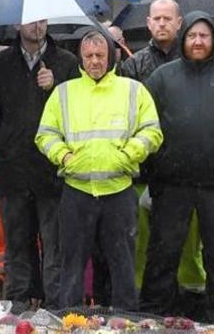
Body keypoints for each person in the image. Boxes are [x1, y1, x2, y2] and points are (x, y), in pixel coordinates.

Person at [141, 12, 214, 318]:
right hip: (172, 183)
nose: (198, 41)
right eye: (193, 36)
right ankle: (157, 314)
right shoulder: (162, 78)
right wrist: (157, 163)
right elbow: (144, 122)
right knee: (164, 251)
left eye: (204, 36)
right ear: (184, 39)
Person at [36, 28, 163, 310]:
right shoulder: (64, 93)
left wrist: (129, 154)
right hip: (77, 191)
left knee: (123, 266)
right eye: (89, 56)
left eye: (100, 55)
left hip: (119, 190)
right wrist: (65, 157)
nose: (94, 61)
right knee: (71, 267)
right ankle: (70, 323)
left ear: (112, 56)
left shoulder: (133, 90)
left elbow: (152, 131)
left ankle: (124, 323)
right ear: (81, 58)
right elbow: (45, 134)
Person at [0, 19, 78, 306]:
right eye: (31, 20)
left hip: (52, 170)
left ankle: (56, 307)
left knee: (54, 246)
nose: (37, 26)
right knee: (17, 246)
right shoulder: (1, 63)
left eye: (43, 20)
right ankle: (18, 305)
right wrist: (2, 143)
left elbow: (76, 110)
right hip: (13, 168)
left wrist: (55, 86)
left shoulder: (66, 62)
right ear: (16, 24)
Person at [119, 0, 182, 82]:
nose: (162, 24)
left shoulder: (190, 59)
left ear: (179, 23)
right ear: (149, 23)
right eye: (157, 19)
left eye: (167, 19)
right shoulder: (134, 64)